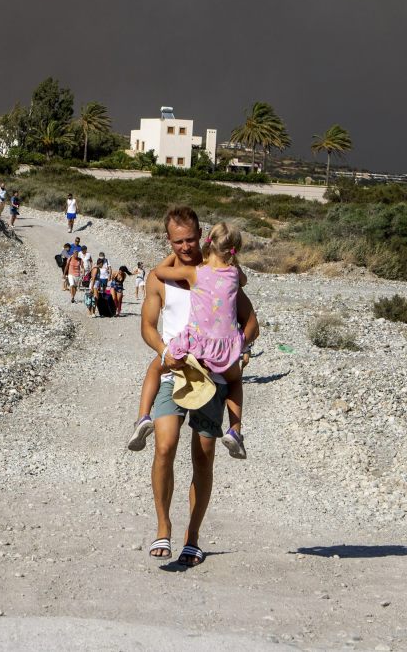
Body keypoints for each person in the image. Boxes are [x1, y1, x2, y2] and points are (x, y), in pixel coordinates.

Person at [132, 206, 259, 566]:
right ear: (168, 241)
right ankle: (162, 526)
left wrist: (237, 349)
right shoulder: (162, 279)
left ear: (201, 235)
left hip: (214, 379)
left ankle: (193, 537)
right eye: (178, 241)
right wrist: (163, 351)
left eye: (191, 239)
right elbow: (147, 326)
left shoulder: (220, 272)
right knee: (164, 447)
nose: (186, 246)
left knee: (202, 460)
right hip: (176, 370)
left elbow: (251, 322)